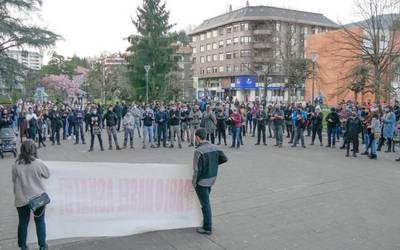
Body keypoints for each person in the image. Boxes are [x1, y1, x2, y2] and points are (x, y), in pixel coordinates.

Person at [12, 140, 50, 250]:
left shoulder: (15, 164)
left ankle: (23, 246)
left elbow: (14, 180)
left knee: (23, 222)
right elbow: (47, 174)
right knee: (40, 221)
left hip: (21, 198)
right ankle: (42, 246)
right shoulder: (38, 162)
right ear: (34, 149)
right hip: (38, 198)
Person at [192, 128, 228, 235]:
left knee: (205, 204)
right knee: (205, 203)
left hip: (202, 182)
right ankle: (206, 222)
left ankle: (207, 227)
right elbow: (224, 159)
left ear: (197, 137)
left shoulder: (198, 151)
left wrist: (194, 183)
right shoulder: (215, 147)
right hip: (212, 179)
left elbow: (196, 170)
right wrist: (213, 165)